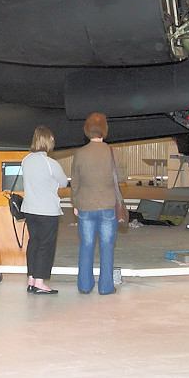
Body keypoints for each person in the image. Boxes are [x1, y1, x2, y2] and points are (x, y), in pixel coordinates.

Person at [70, 113, 121, 295]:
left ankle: (84, 285)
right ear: (104, 130)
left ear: (87, 130)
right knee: (107, 246)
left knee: (86, 245)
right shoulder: (112, 152)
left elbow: (74, 181)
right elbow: (121, 177)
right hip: (108, 206)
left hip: (85, 206)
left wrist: (75, 203)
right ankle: (106, 287)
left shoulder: (79, 153)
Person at [21, 126, 68, 295]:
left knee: (33, 242)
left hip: (29, 209)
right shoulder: (50, 163)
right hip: (47, 210)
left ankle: (31, 280)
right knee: (45, 245)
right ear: (48, 141)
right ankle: (40, 282)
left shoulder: (26, 160)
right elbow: (63, 182)